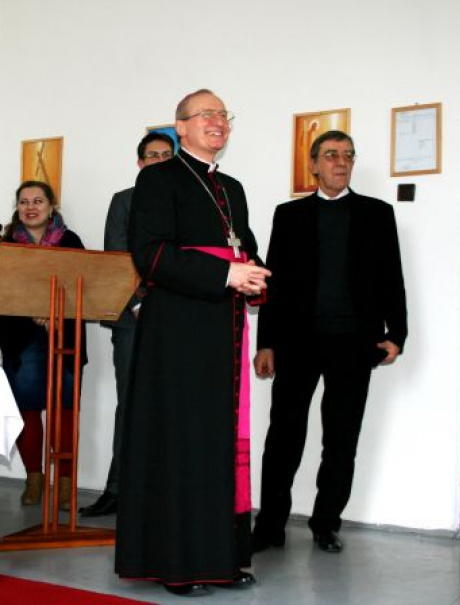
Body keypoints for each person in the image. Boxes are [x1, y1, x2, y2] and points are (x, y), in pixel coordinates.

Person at [115, 89, 270, 597]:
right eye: (206, 114)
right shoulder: (157, 178)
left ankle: (223, 558)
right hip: (179, 333)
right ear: (180, 126)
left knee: (222, 444)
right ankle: (180, 564)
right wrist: (226, 275)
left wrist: (256, 278)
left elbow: (244, 248)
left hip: (225, 330)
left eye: (224, 115)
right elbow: (151, 254)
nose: (218, 121)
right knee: (185, 443)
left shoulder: (233, 188)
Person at [252, 130, 408, 554]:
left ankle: (326, 524)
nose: (341, 162)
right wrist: (267, 343)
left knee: (341, 440)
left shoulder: (377, 214)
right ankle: (269, 527)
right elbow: (273, 285)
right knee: (283, 438)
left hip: (354, 345)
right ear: (314, 165)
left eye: (348, 155)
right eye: (332, 155)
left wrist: (396, 334)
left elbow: (392, 278)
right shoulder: (289, 215)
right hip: (297, 343)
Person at [79, 131, 175, 518]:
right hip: (133, 318)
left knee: (174, 405)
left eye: (166, 155)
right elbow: (117, 254)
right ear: (140, 163)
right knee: (131, 404)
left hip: (176, 318)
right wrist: (137, 303)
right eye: (153, 155)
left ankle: (165, 493)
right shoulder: (124, 200)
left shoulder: (186, 201)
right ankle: (118, 490)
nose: (160, 161)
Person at [0, 180, 88, 511]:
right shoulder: (8, 244)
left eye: (38, 201)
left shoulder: (70, 241)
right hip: (21, 338)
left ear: (52, 206)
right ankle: (34, 479)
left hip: (65, 335)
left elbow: (85, 285)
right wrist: (34, 311)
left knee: (65, 409)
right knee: (27, 409)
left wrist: (54, 311)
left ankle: (64, 483)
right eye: (24, 202)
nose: (30, 207)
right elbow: (1, 289)